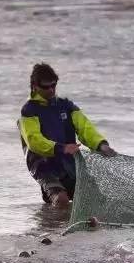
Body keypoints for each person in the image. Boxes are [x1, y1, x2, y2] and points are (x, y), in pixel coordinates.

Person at [18, 63, 116, 207]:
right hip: (43, 165)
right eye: (46, 87)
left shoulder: (66, 106)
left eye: (53, 85)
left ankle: (86, 225)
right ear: (35, 86)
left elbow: (85, 128)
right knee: (61, 199)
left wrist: (101, 145)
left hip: (69, 163)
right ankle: (56, 226)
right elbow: (34, 141)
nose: (51, 90)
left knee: (95, 197)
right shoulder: (28, 111)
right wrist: (61, 148)